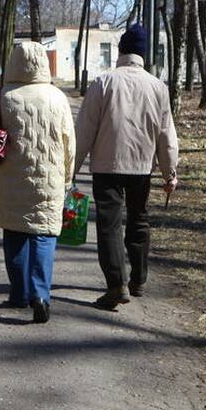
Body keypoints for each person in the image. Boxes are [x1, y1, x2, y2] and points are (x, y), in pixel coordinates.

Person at [74, 24, 179, 310]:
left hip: (107, 165)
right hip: (142, 166)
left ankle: (116, 284)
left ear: (120, 50)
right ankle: (139, 279)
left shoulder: (103, 83)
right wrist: (169, 172)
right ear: (144, 55)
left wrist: (70, 169)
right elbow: (166, 134)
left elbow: (84, 132)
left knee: (109, 226)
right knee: (139, 219)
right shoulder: (158, 87)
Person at [0, 41, 74, 324]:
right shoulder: (57, 97)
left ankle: (19, 293)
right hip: (49, 179)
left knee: (15, 234)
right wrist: (67, 176)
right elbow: (69, 143)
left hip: (9, 177)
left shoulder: (1, 96)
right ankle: (41, 294)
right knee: (43, 235)